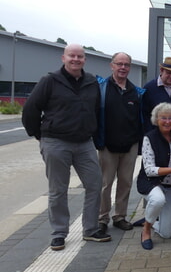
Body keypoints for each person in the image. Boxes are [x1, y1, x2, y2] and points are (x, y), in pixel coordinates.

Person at [22, 44, 111, 251]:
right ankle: (59, 233)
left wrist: (94, 133)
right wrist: (40, 135)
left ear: (85, 60)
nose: (76, 59)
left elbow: (96, 110)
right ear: (64, 57)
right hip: (56, 142)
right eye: (72, 56)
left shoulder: (91, 82)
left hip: (84, 143)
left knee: (95, 184)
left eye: (80, 56)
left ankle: (90, 229)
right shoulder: (50, 81)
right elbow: (30, 110)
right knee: (58, 190)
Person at [95, 52, 144, 233]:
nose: (123, 67)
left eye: (126, 64)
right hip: (107, 145)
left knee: (125, 183)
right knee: (105, 183)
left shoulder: (136, 91)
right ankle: (102, 218)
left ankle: (120, 216)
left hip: (130, 146)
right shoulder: (101, 88)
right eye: (119, 64)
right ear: (112, 65)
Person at [137, 103, 171, 250]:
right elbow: (150, 170)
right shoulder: (149, 138)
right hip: (152, 183)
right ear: (156, 119)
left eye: (170, 118)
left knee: (167, 233)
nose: (167, 121)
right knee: (158, 199)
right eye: (163, 118)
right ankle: (146, 230)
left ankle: (150, 218)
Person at [142, 57, 171, 132]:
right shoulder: (149, 88)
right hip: (155, 134)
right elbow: (145, 115)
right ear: (161, 70)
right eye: (169, 73)